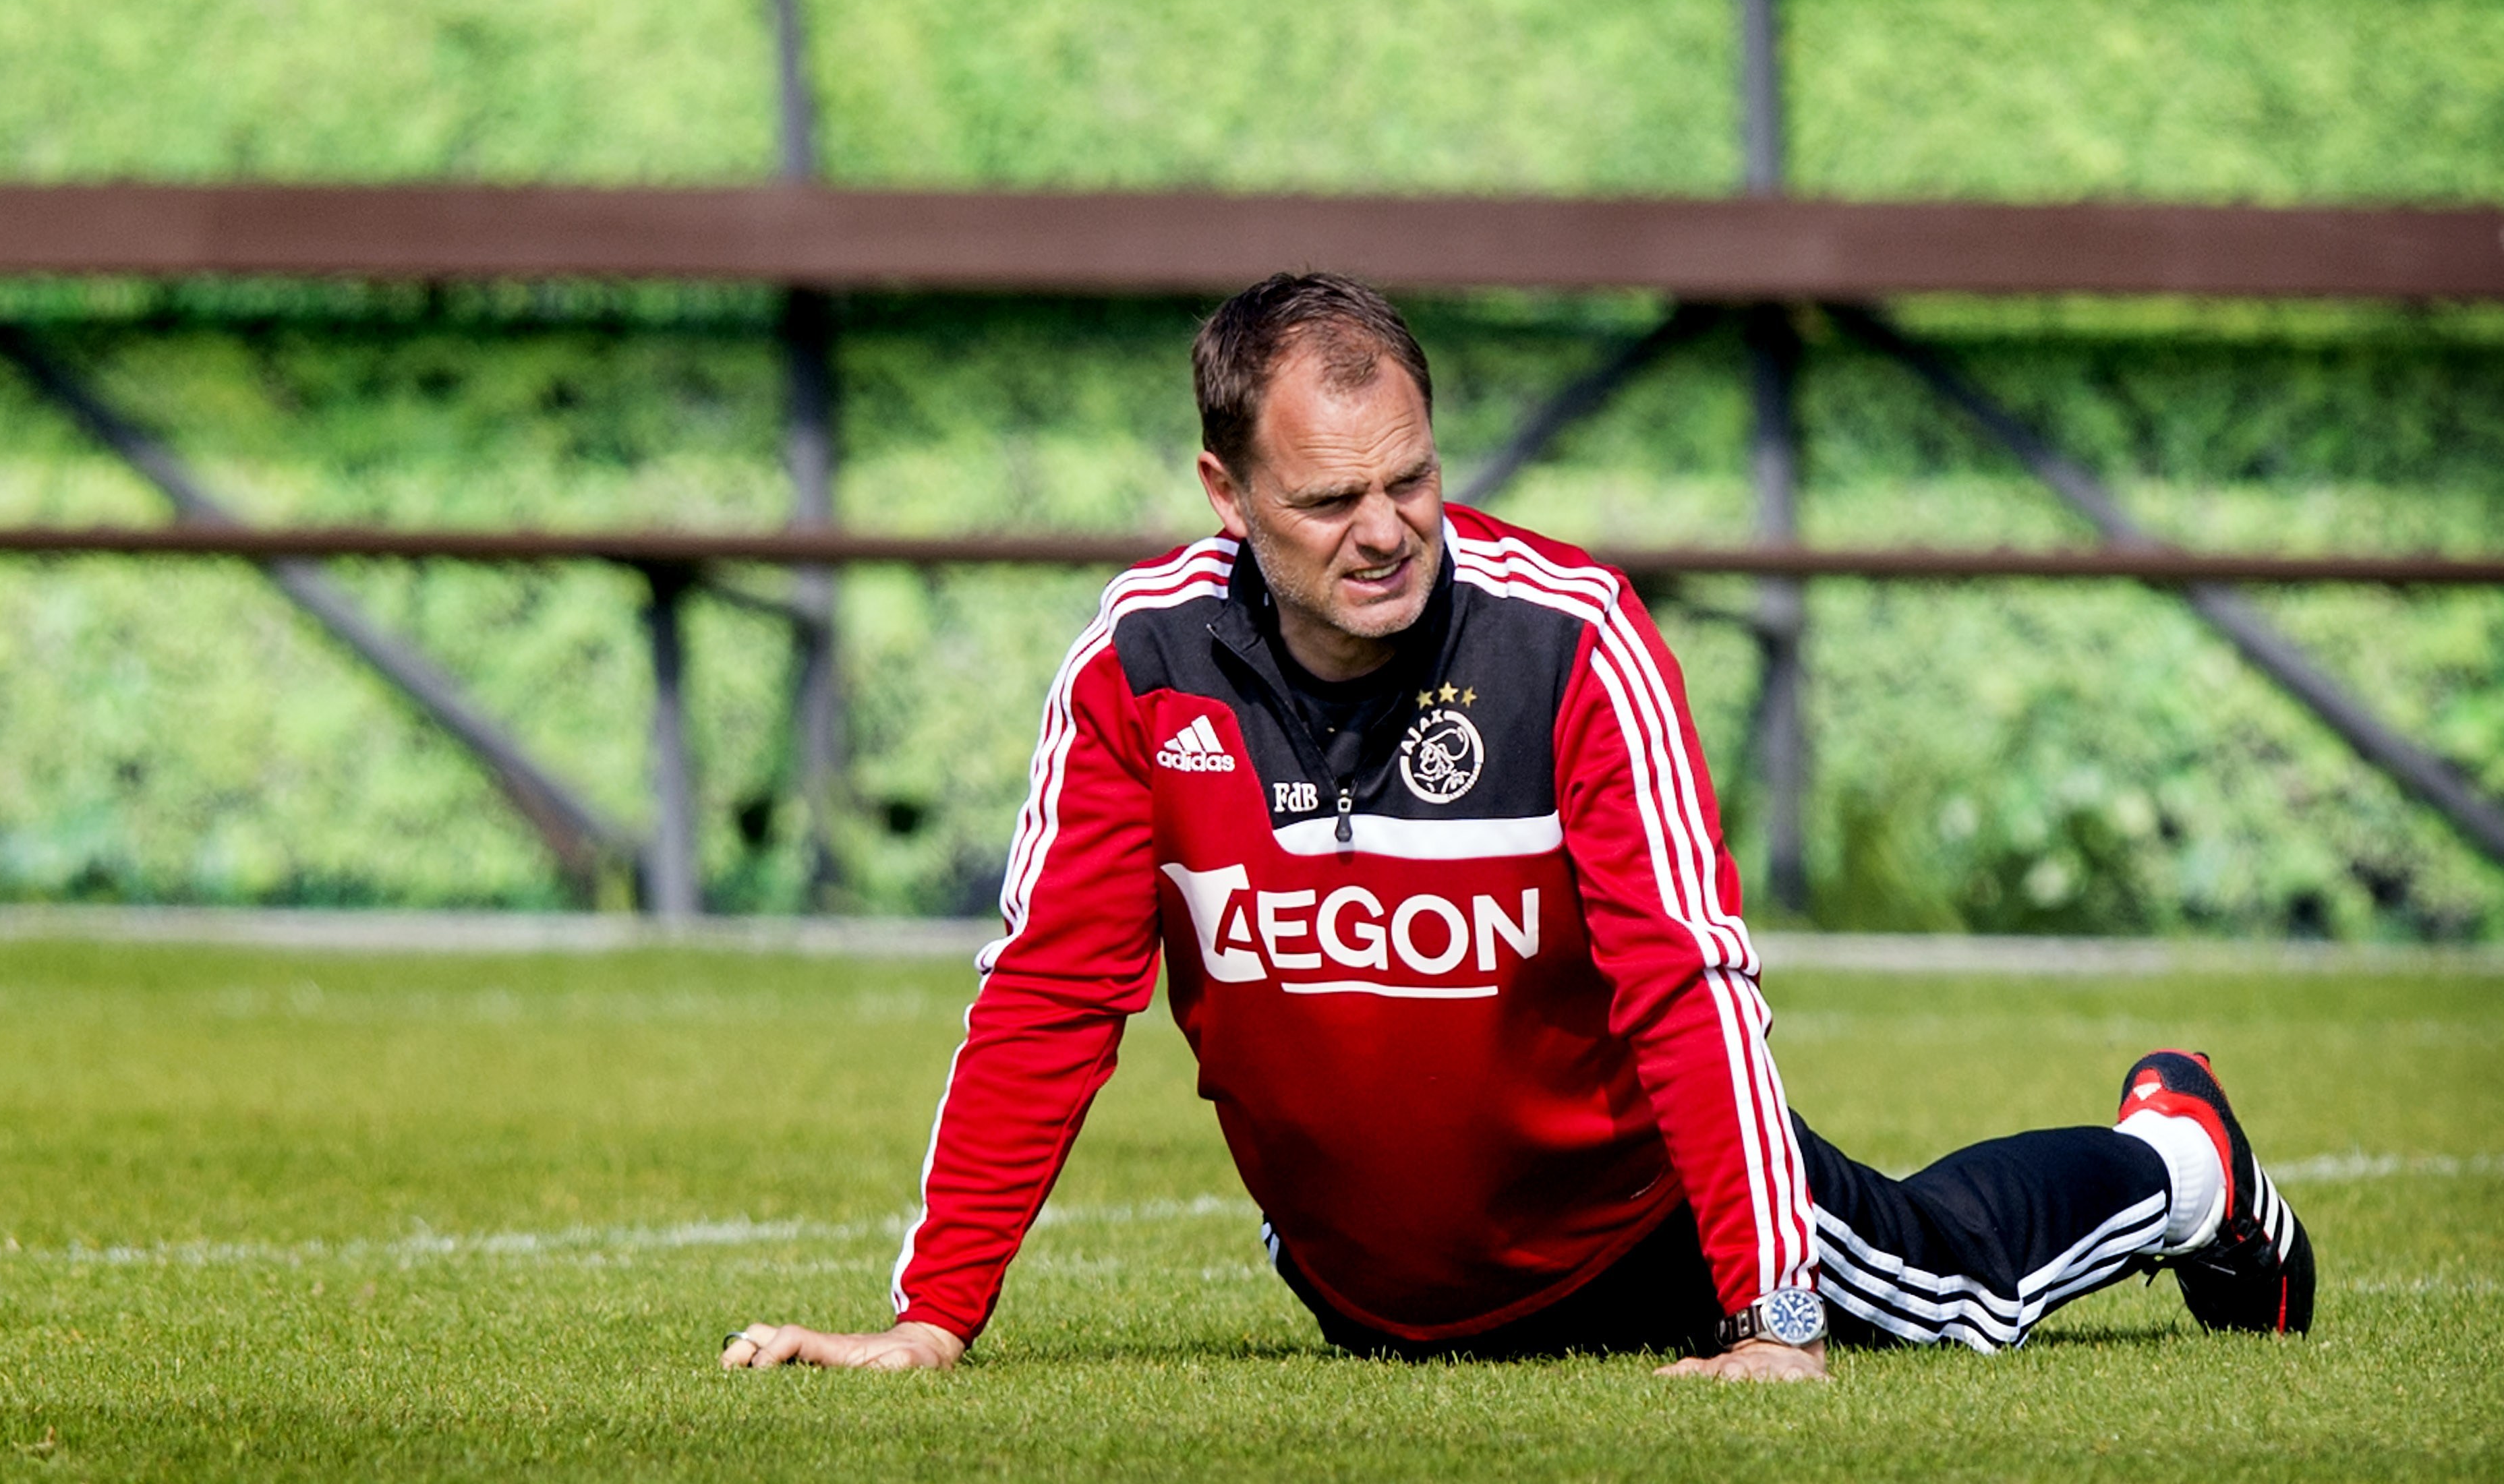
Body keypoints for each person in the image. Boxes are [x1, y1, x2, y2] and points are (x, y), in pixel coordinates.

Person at [724, 273, 2312, 1379]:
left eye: (1410, 480)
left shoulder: (1569, 638)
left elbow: (1681, 977)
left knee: (1955, 1279)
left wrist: (1770, 1313)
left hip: (1650, 1235)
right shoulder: (1139, 665)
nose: (1386, 531)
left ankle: (2184, 1160)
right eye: (1329, 500)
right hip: (1372, 1293)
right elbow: (1050, 992)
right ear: (1226, 493)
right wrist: (932, 1317)